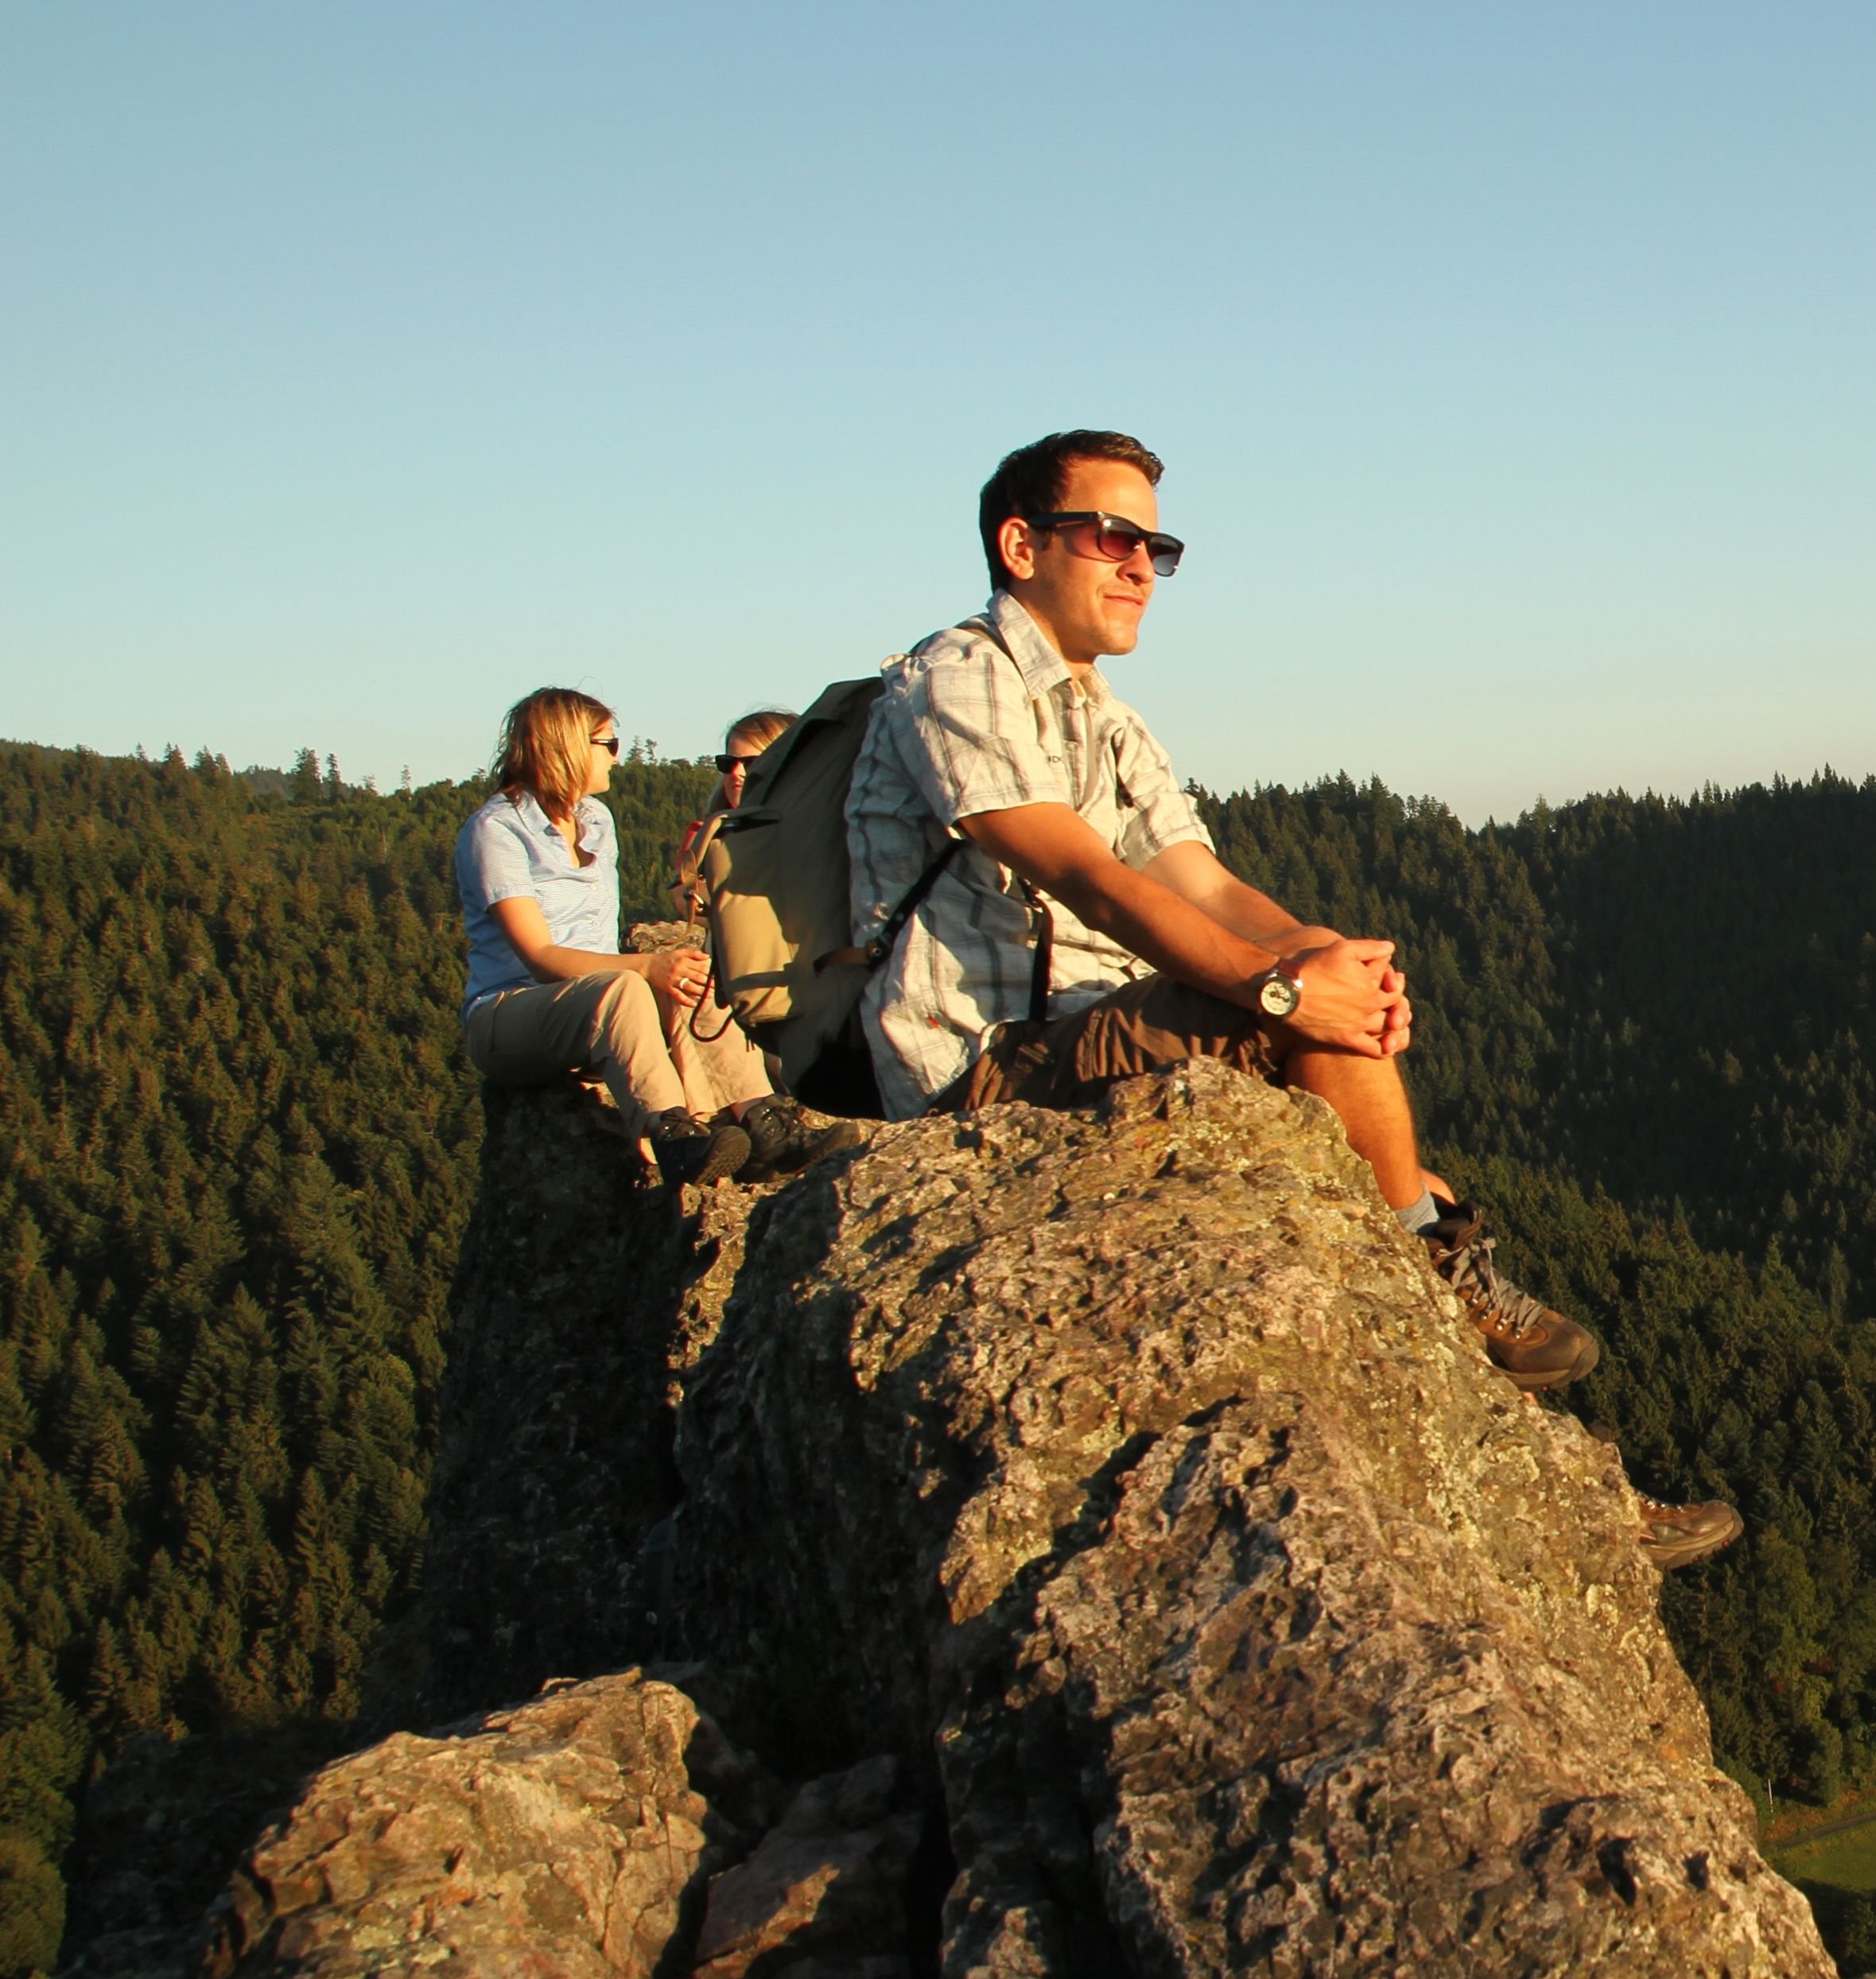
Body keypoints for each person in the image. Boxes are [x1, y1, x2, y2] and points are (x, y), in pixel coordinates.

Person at [841, 429, 1737, 1567]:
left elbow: (1203, 880)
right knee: (1387, 1193)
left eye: (1154, 548)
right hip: (980, 1062)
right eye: (1109, 536)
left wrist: (1336, 965)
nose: (1136, 566)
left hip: (1083, 1030)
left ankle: (1562, 1485)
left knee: (1393, 1166)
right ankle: (1488, 1359)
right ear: (1020, 545)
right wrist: (1280, 993)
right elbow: (1087, 877)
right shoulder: (958, 677)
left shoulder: (1103, 717)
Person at [453, 688, 828, 1185]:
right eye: (608, 744)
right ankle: (672, 1135)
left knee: (695, 976)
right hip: (508, 1014)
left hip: (587, 1011)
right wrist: (646, 968)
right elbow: (540, 957)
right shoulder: (497, 830)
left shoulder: (595, 821)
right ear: (567, 747)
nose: (617, 755)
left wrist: (665, 972)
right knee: (626, 985)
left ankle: (763, 1127)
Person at [671, 705, 795, 913]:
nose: (736, 772)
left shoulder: (819, 833)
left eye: (752, 763)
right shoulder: (704, 836)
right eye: (728, 763)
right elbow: (684, 902)